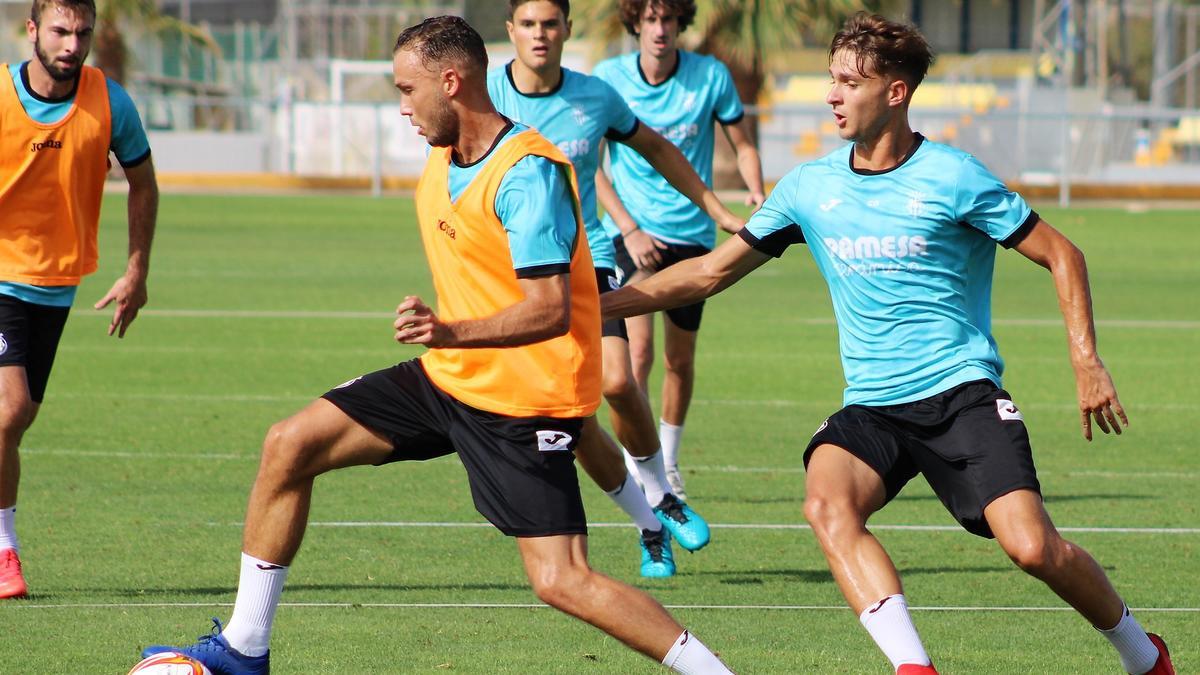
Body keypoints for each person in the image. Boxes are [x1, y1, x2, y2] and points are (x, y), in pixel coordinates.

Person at [141, 16, 733, 675]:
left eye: (406, 89)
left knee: (561, 579)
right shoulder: (444, 152)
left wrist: (450, 330)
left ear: (451, 82)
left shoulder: (526, 176)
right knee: (290, 443)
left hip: (524, 400)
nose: (401, 107)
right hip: (451, 376)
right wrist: (450, 342)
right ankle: (246, 647)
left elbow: (548, 309)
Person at [600, 12, 1175, 675]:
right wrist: (594, 307)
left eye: (849, 81)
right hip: (874, 406)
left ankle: (1143, 654)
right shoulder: (810, 188)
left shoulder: (954, 176)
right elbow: (707, 272)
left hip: (961, 395)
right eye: (830, 79)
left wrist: (1087, 360)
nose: (832, 95)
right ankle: (914, 668)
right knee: (826, 501)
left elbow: (1062, 254)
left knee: (1032, 547)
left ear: (895, 93)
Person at [489, 0, 743, 577]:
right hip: (512, 275)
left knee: (620, 380)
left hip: (587, 262)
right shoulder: (486, 96)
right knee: (568, 417)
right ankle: (649, 527)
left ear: (567, 30)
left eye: (550, 24)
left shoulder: (594, 96)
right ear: (511, 31)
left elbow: (656, 147)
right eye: (527, 24)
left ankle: (661, 492)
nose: (539, 35)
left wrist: (717, 210)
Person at [0, 0, 157, 600]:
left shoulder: (111, 102)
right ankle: (5, 551)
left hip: (57, 283)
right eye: (61, 31)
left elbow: (142, 181)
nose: (72, 45)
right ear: (33, 31)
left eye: (83, 33)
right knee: (9, 411)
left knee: (19, 418)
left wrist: (135, 269)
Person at [594, 0, 766, 501]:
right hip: (633, 238)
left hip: (693, 239)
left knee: (679, 360)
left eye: (668, 19)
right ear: (635, 24)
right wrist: (628, 228)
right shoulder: (610, 78)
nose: (659, 29)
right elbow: (591, 167)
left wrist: (756, 191)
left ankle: (668, 461)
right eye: (649, 20)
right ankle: (641, 466)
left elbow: (744, 144)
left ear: (680, 24)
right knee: (636, 355)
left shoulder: (710, 76)